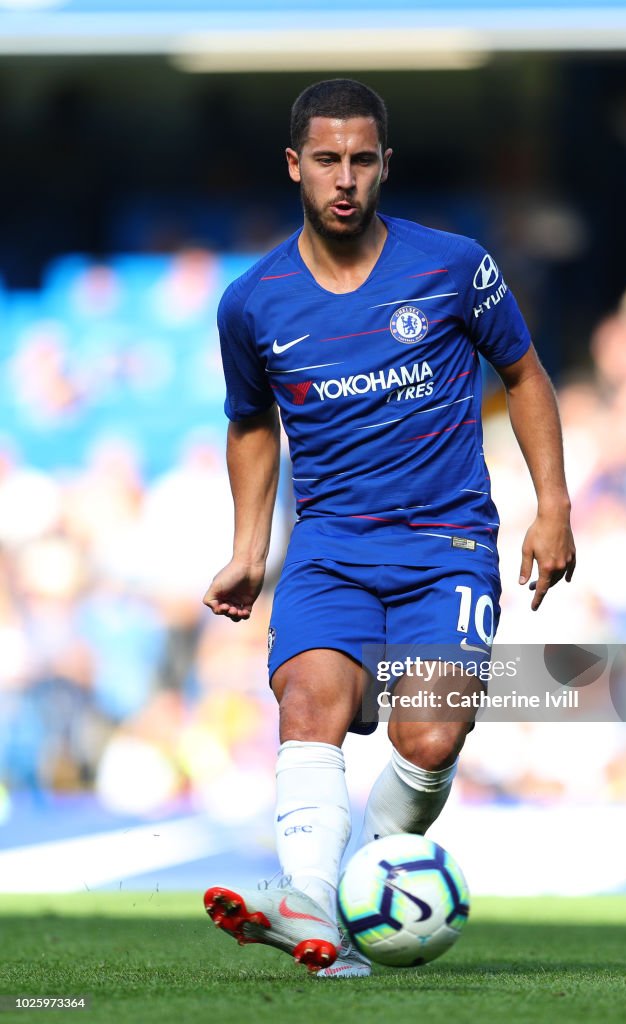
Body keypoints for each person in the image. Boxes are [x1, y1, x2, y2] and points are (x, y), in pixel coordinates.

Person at [202, 78, 575, 978]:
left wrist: (553, 504)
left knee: (431, 739)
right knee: (308, 704)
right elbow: (251, 424)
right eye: (326, 160)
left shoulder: (450, 266)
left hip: (445, 548)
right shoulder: (253, 302)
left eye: (361, 160)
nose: (344, 179)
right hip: (329, 549)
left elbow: (523, 374)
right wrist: (251, 549)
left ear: (384, 166)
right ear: (295, 166)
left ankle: (334, 906)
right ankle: (310, 909)